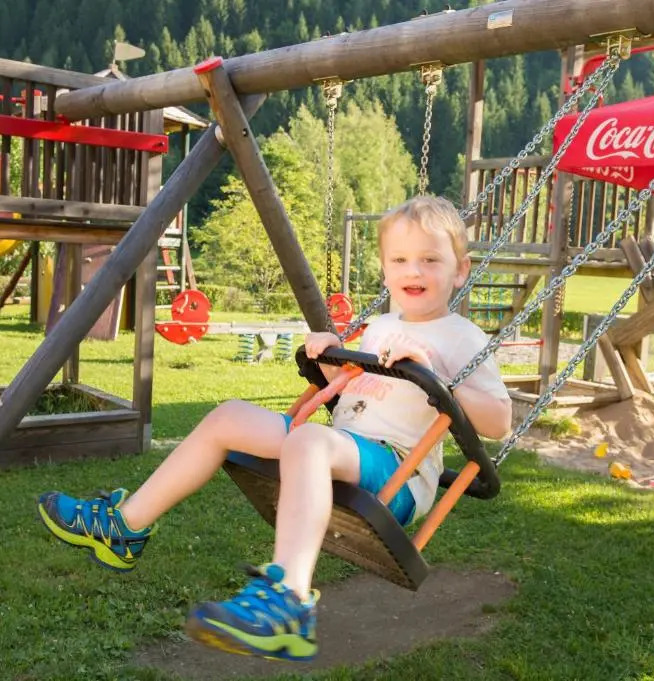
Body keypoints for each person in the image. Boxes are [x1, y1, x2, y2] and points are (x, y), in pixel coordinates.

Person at [37, 195, 512, 662]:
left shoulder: (460, 337)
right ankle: (124, 526)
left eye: (430, 260)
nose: (414, 271)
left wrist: (437, 375)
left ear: (460, 270)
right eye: (400, 260)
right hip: (348, 445)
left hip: (396, 470)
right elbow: (354, 391)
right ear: (385, 269)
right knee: (229, 416)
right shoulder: (382, 327)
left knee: (309, 440)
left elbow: (499, 422)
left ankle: (289, 600)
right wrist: (329, 356)